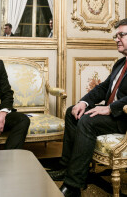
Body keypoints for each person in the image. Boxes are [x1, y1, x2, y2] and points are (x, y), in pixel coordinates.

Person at [48, 18, 127, 197]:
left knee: (87, 121)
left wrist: (110, 108)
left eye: (121, 35)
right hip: (114, 113)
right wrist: (83, 102)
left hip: (124, 117)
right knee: (72, 112)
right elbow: (103, 88)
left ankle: (74, 184)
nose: (117, 39)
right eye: (116, 35)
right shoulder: (120, 63)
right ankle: (66, 167)